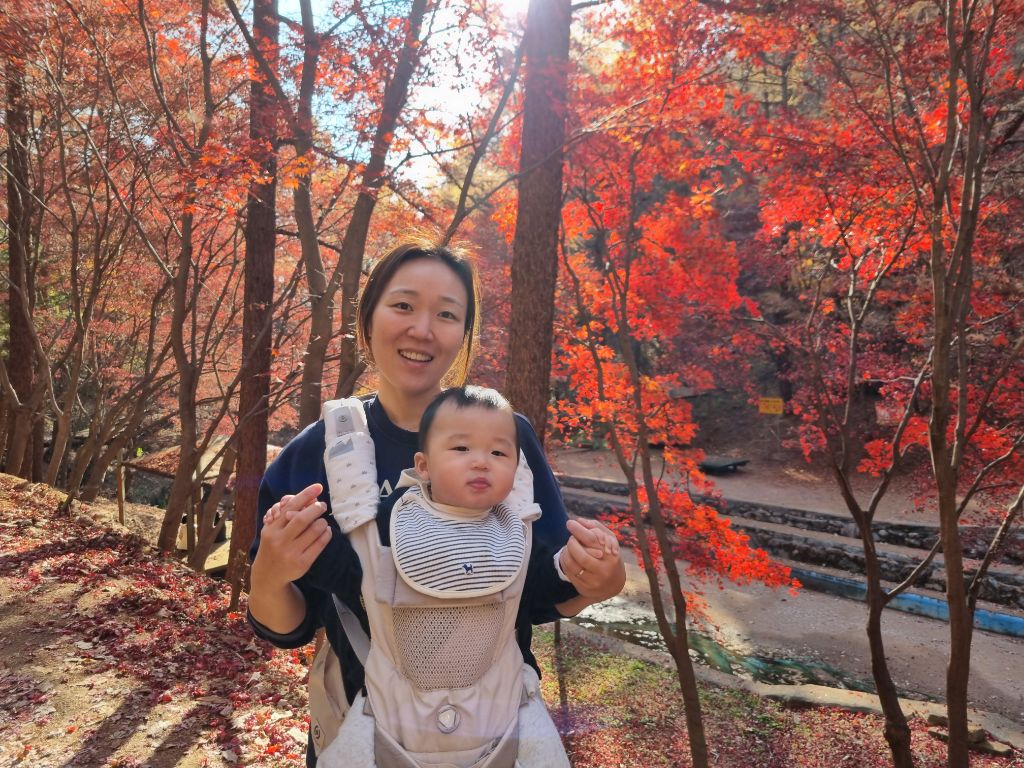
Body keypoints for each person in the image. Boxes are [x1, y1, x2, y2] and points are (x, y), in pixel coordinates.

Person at [247, 238, 627, 766]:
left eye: (447, 314)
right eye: (403, 305)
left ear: (464, 333)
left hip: (495, 735)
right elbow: (287, 627)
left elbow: (538, 591)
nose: (422, 329)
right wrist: (270, 573)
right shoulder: (323, 450)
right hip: (364, 733)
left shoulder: (504, 438)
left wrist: (596, 582)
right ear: (367, 318)